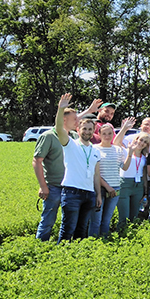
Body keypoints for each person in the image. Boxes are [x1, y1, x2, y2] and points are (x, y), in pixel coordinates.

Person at [54, 93, 102, 242]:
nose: (87, 132)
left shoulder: (95, 150)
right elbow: (59, 128)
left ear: (93, 130)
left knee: (82, 230)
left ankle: (77, 258)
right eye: (84, 129)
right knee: (68, 228)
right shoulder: (70, 144)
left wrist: (98, 194)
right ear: (78, 129)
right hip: (72, 192)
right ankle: (61, 257)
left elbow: (96, 175)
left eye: (90, 129)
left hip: (89, 194)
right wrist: (61, 109)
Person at [33, 102, 81, 241]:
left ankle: (65, 246)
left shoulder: (74, 137)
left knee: (70, 221)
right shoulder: (48, 136)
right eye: (75, 119)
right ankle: (41, 247)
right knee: (47, 221)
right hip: (54, 186)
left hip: (71, 187)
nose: (77, 122)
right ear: (63, 120)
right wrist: (43, 186)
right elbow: (37, 161)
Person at [89, 123, 127, 237]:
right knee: (96, 220)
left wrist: (130, 153)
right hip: (99, 188)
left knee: (106, 220)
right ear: (99, 134)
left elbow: (123, 167)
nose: (107, 136)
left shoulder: (117, 149)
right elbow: (94, 173)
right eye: (104, 133)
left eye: (110, 133)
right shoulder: (94, 149)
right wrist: (107, 187)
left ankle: (104, 242)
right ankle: (93, 243)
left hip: (115, 188)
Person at [118, 131, 150, 229]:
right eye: (141, 140)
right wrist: (124, 128)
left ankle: (132, 237)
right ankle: (121, 236)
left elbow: (145, 176)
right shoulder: (125, 151)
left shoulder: (145, 158)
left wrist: (145, 192)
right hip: (125, 184)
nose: (142, 143)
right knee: (124, 216)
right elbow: (116, 142)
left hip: (138, 186)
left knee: (134, 215)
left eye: (145, 142)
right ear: (136, 139)